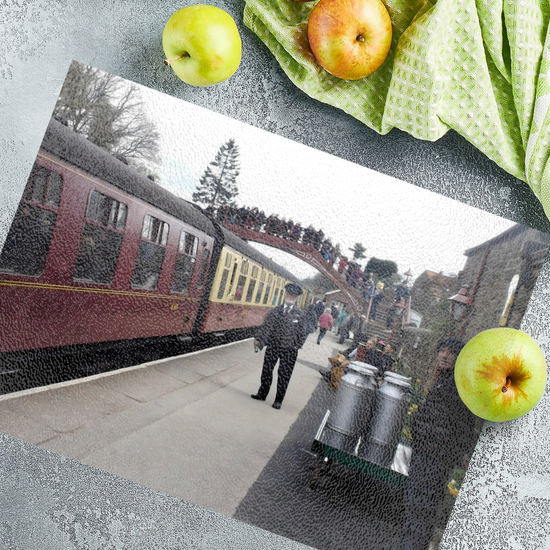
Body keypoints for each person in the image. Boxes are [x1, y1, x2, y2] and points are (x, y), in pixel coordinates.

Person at [395, 337, 477, 550]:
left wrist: (460, 452)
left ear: (460, 358)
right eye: (442, 350)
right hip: (428, 451)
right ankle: (410, 545)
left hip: (435, 457)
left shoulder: (458, 386)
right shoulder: (446, 379)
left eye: (450, 353)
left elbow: (463, 424)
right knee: (416, 504)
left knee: (420, 506)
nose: (444, 355)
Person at [251, 283, 308, 410]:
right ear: (285, 294)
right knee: (266, 371)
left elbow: (303, 332)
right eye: (288, 294)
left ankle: (278, 400)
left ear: (296, 298)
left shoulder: (300, 314)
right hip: (273, 346)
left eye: (293, 295)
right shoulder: (275, 311)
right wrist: (259, 339)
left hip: (289, 351)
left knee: (284, 375)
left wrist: (296, 346)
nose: (290, 296)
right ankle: (262, 394)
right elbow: (266, 326)